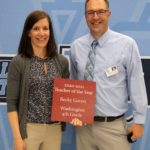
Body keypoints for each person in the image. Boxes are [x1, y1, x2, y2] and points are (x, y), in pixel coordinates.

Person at [70, 0, 148, 150]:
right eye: (90, 12)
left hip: (113, 128)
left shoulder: (127, 45)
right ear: (85, 16)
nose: (95, 17)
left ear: (109, 14)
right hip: (83, 129)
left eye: (100, 11)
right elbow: (74, 84)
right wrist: (74, 111)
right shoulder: (76, 47)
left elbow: (136, 82)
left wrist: (139, 121)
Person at [6, 10, 69, 150]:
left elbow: (67, 99)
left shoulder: (62, 62)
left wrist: (75, 114)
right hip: (29, 130)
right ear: (28, 32)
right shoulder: (19, 62)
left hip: (54, 130)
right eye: (36, 28)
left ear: (50, 32)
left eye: (45, 28)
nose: (42, 33)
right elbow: (11, 103)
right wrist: (17, 137)